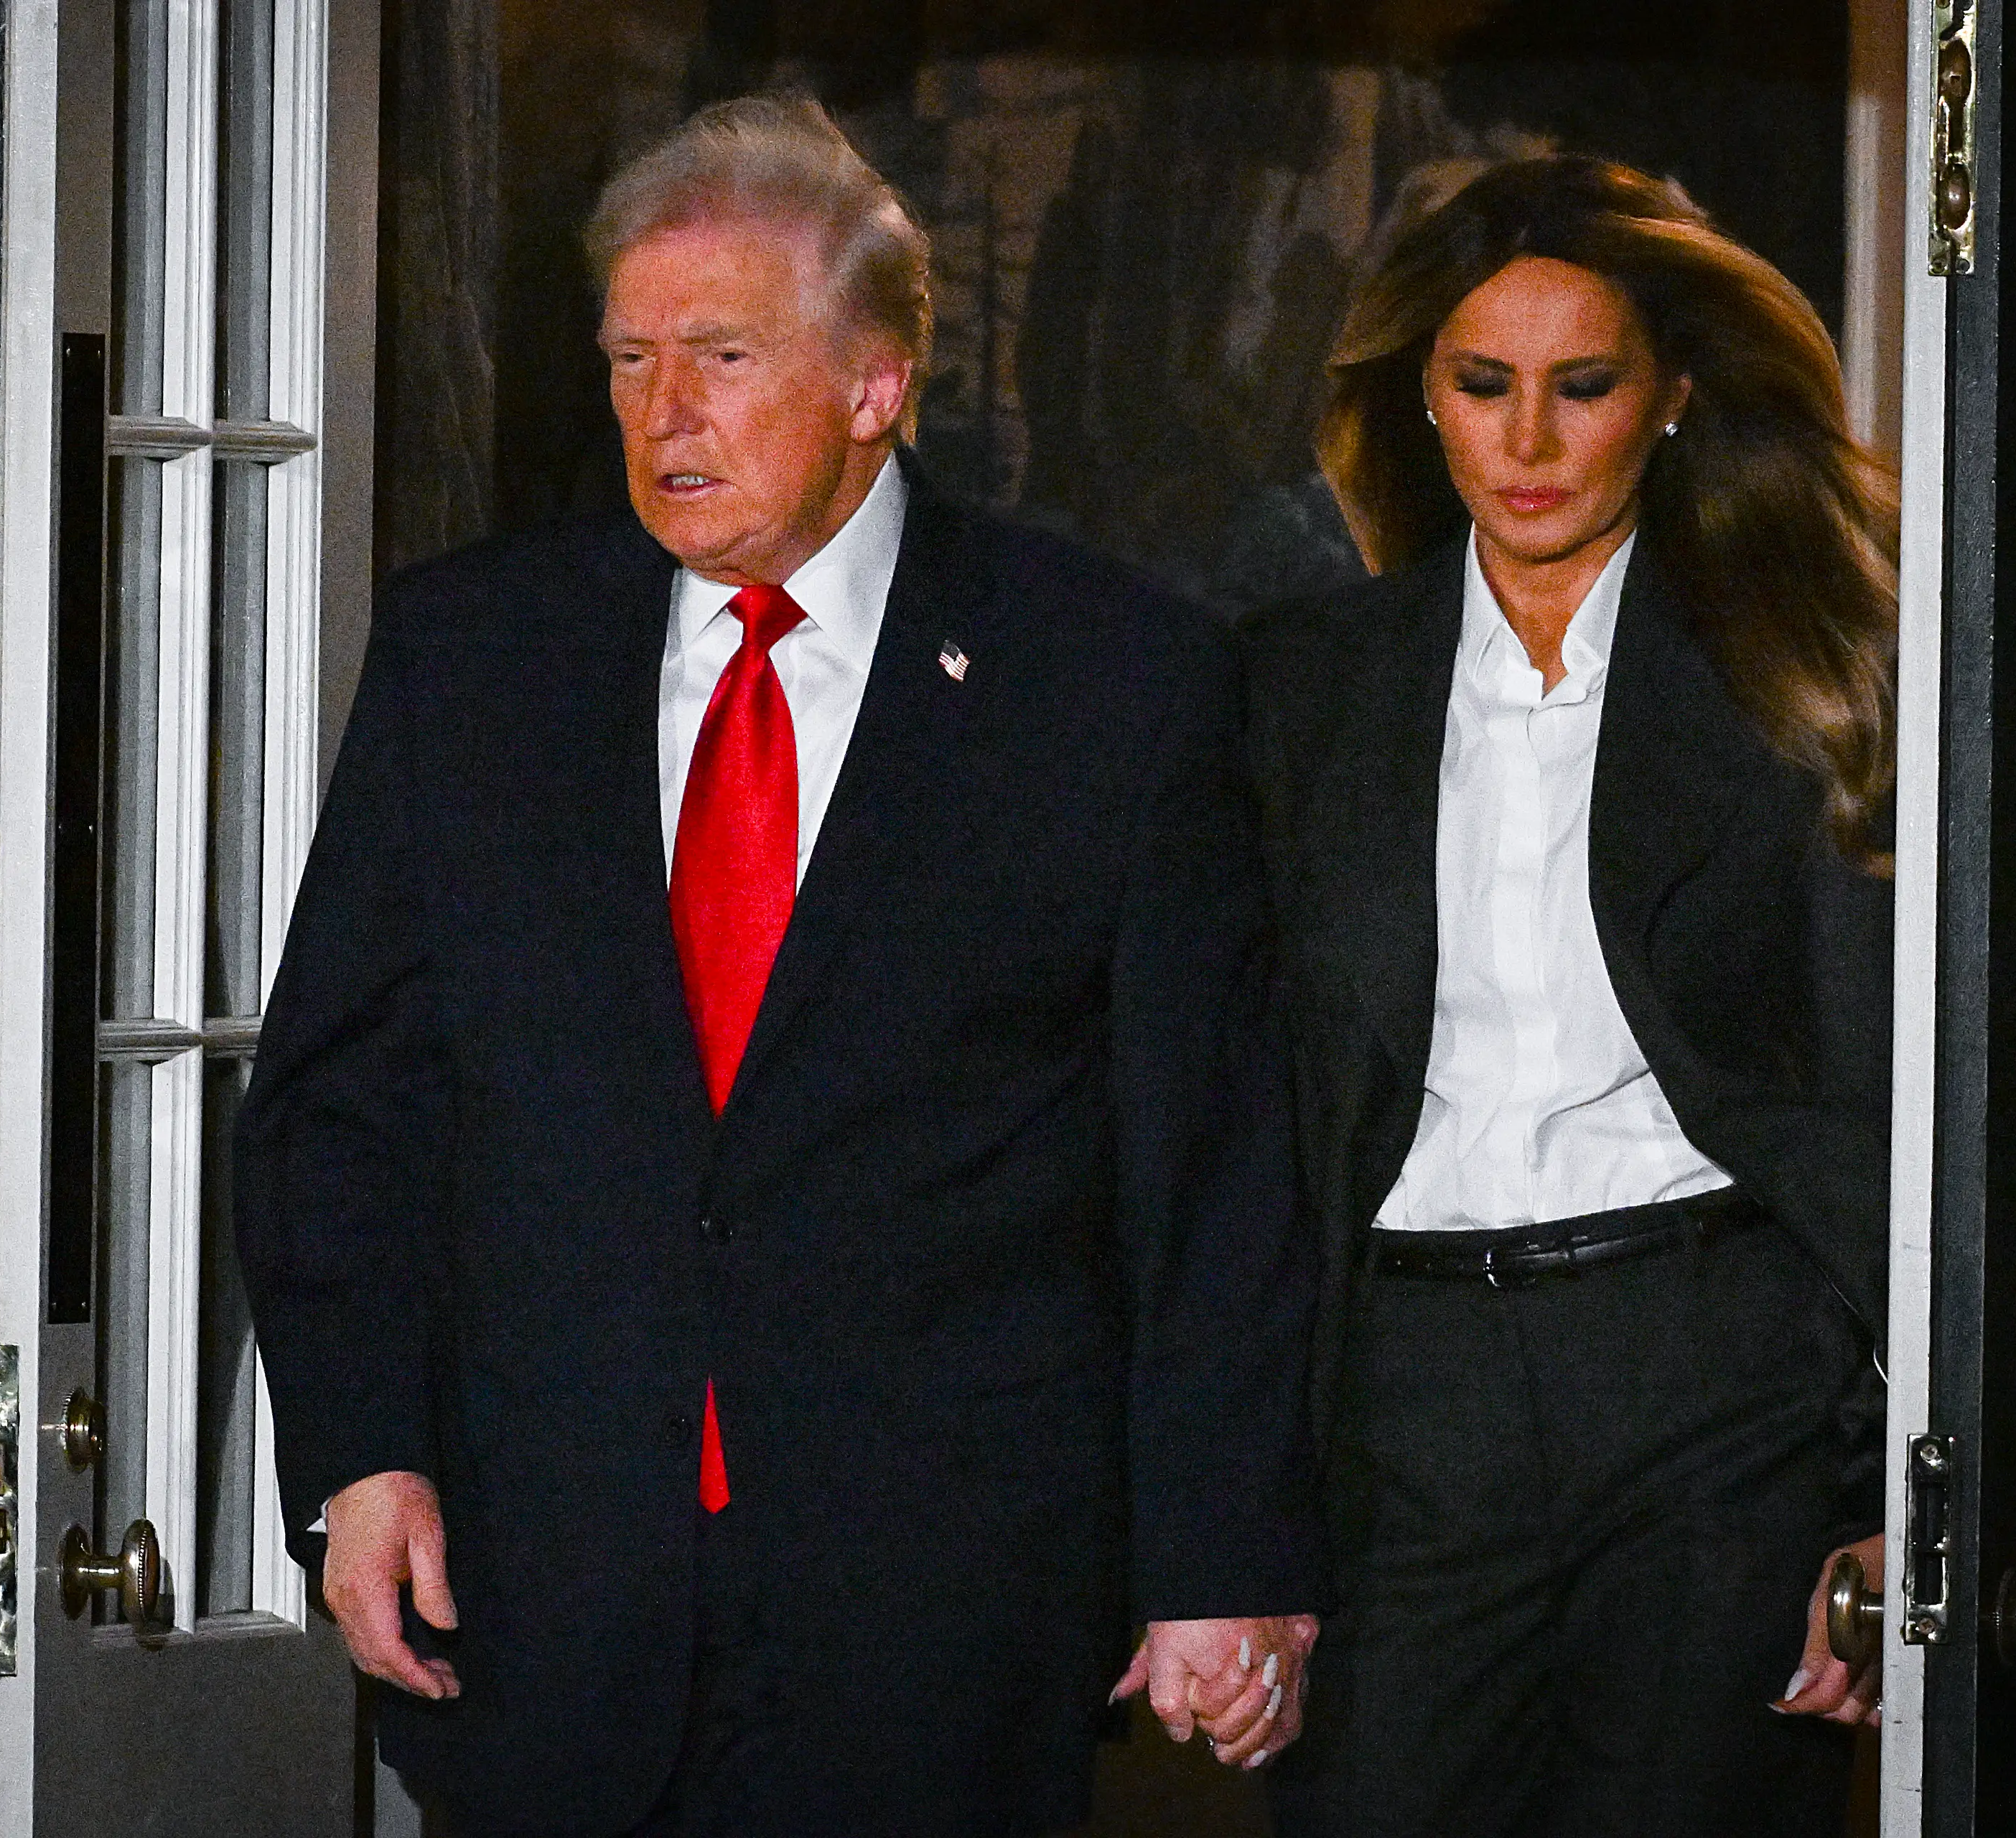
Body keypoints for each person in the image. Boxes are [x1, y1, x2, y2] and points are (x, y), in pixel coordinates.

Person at [233, 95, 1323, 1838]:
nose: (664, 414)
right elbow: (344, 1098)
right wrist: (361, 1456)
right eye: (630, 359)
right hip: (546, 1606)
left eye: (723, 355)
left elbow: (1210, 1164)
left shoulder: (1111, 682)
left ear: (878, 382)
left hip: (941, 1624)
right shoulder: (476, 655)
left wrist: (1225, 1555)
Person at [1240, 156, 1895, 1836]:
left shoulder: (1798, 682)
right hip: (1405, 1395)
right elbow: (1244, 1117)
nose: (1530, 441)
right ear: (1427, 405)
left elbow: (1884, 1095)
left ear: (1671, 398)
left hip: (1717, 1389)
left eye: (1582, 385)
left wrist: (1888, 1476)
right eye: (1483, 385)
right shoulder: (1301, 696)